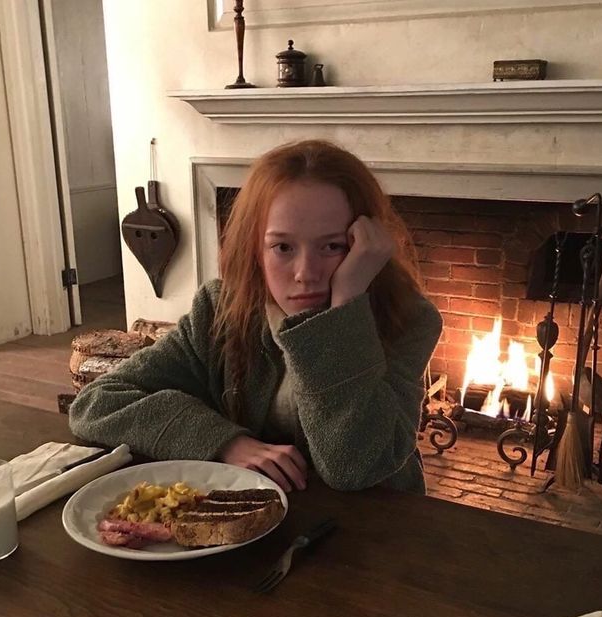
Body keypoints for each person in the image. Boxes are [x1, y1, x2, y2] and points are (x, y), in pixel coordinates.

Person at [69, 139, 442, 494]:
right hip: (251, 521)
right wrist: (226, 442)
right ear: (255, 249)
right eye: (282, 247)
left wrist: (344, 309)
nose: (305, 272)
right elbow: (96, 402)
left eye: (333, 246)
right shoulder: (219, 311)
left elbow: (355, 468)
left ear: (366, 245)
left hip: (376, 535)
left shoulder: (410, 320)